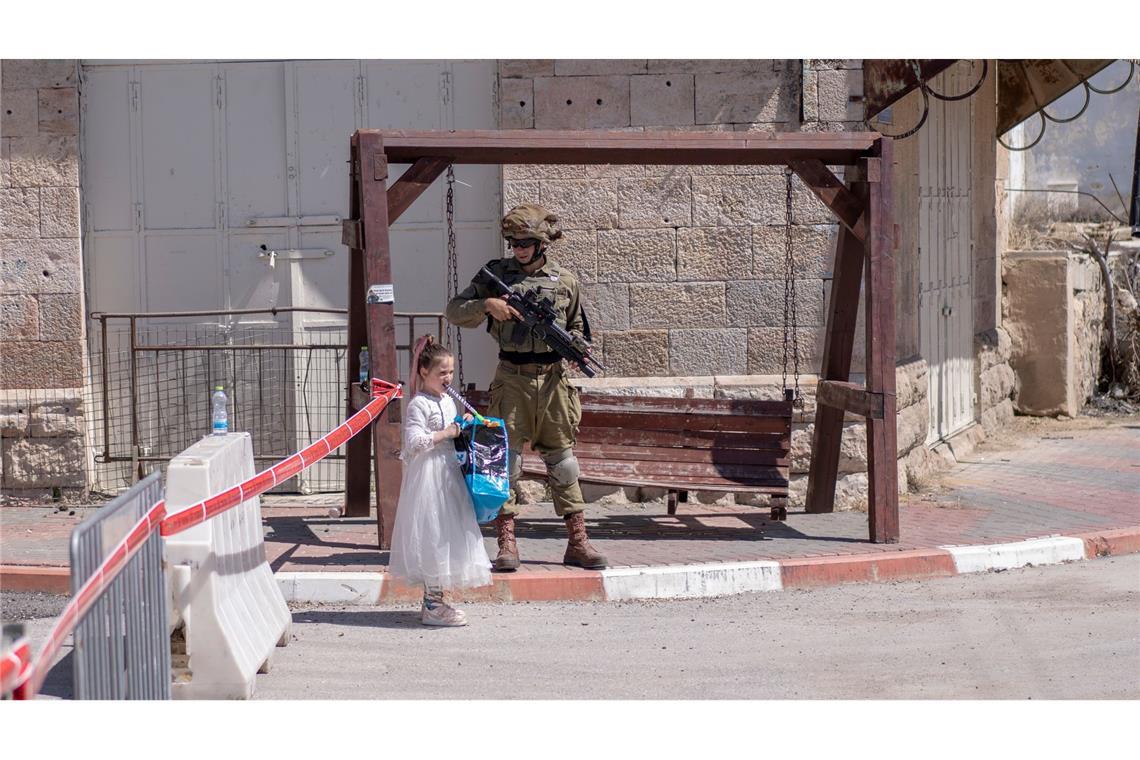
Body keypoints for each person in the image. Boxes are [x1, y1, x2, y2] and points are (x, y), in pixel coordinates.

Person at [445, 203, 608, 572]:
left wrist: (578, 346)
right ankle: (507, 543)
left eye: (525, 243)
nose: (518, 250)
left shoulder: (564, 281)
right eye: (513, 243)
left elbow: (581, 329)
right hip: (512, 379)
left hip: (553, 381)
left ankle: (578, 542)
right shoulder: (495, 276)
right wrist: (488, 305)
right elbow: (455, 311)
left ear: (541, 244)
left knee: (564, 464)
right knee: (506, 463)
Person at [387, 335, 492, 626]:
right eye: (441, 373)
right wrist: (447, 433)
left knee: (448, 534)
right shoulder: (418, 404)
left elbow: (454, 429)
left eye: (450, 372)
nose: (447, 378)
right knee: (433, 534)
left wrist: (468, 425)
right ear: (424, 372)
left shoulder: (447, 400)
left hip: (449, 472)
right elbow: (414, 442)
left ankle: (437, 600)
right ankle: (432, 604)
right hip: (430, 476)